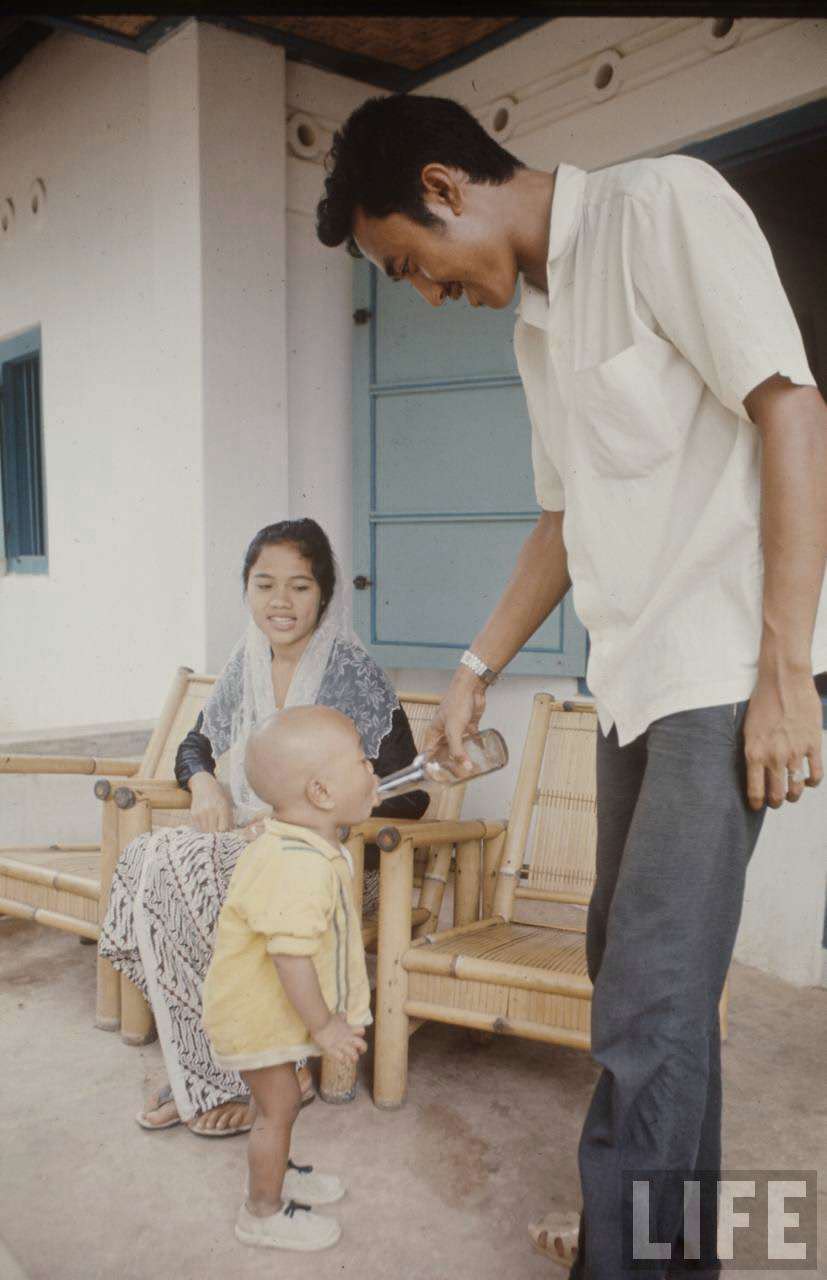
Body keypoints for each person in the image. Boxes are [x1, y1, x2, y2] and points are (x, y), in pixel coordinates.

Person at [316, 94, 827, 1278]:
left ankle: (622, 1255)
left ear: (445, 186)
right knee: (641, 977)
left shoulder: (663, 209)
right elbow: (560, 519)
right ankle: (664, 1244)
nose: (428, 293)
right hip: (632, 675)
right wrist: (471, 672)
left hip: (718, 666)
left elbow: (790, 405)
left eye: (413, 265)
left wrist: (783, 667)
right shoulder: (536, 327)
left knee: (648, 1001)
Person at [99, 517, 427, 1137]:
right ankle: (227, 1067)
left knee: (171, 863)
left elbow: (409, 792)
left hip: (325, 864)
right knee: (146, 860)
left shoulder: (351, 673)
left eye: (300, 587)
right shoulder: (244, 660)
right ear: (247, 590)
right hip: (258, 847)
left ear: (324, 596)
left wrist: (304, 819)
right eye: (265, 584)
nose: (281, 602)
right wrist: (204, 783)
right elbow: (195, 745)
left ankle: (230, 1077)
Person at [204, 706, 374, 1251]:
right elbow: (291, 958)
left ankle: (280, 1171)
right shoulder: (297, 865)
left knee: (279, 1105)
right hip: (256, 1019)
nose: (374, 770)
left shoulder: (301, 841)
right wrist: (324, 1027)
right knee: (277, 1109)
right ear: (322, 794)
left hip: (265, 1013)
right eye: (362, 762)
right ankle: (262, 1210)